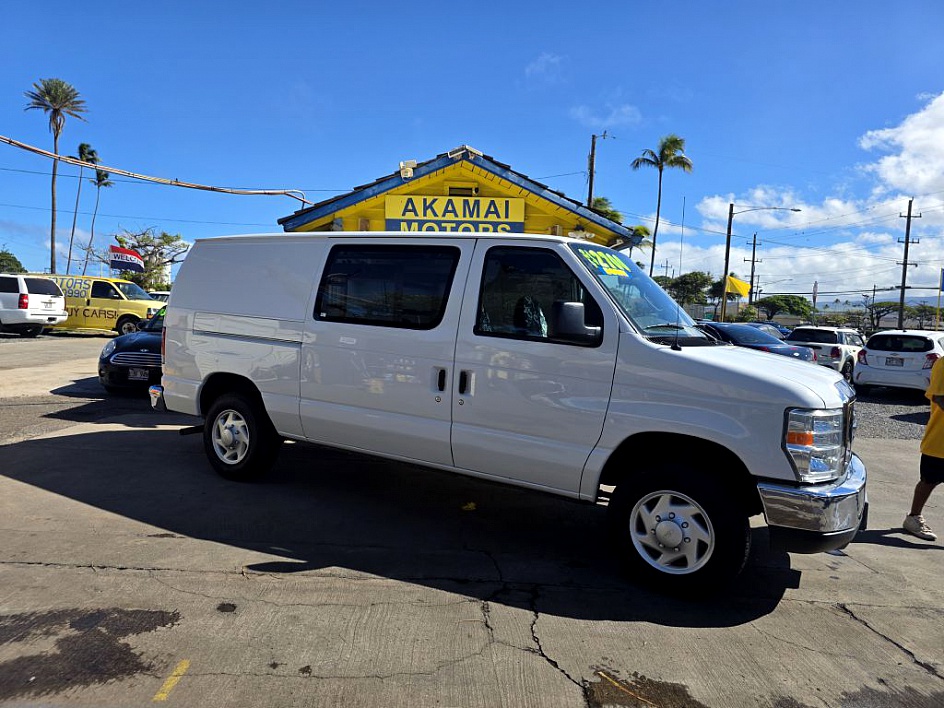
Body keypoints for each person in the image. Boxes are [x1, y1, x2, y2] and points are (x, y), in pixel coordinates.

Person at [903, 355, 944, 541]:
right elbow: (939, 397)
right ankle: (913, 518)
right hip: (939, 441)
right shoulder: (943, 364)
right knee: (928, 481)